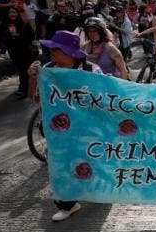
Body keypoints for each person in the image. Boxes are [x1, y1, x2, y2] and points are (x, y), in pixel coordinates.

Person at [28, 31, 102, 222]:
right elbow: (36, 98)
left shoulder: (91, 70)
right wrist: (33, 78)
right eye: (50, 48)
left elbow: (106, 98)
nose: (51, 52)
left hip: (88, 129)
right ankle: (67, 203)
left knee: (92, 160)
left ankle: (99, 190)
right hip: (58, 130)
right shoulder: (48, 70)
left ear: (68, 52)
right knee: (61, 164)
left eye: (55, 49)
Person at [0, 6, 35, 98]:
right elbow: (0, 36)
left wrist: (19, 36)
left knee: (23, 70)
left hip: (26, 51)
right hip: (13, 51)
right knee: (22, 70)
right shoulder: (4, 24)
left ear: (17, 13)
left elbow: (31, 36)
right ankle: (31, 85)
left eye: (14, 12)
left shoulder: (24, 23)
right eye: (10, 13)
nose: (12, 14)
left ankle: (23, 90)